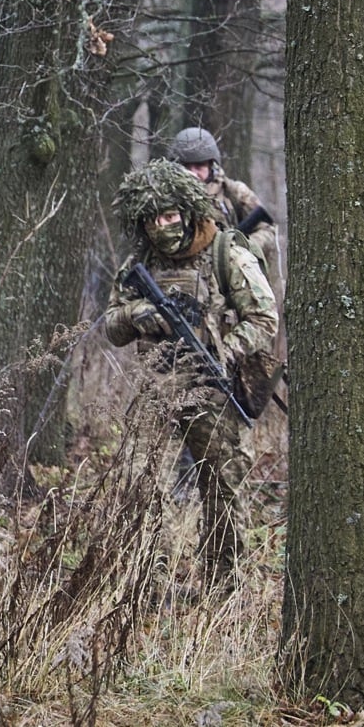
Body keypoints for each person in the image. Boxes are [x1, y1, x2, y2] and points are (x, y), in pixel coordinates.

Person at [105, 158, 278, 593]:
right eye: (152, 218)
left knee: (224, 488)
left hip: (214, 389)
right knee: (143, 484)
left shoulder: (225, 250)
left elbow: (264, 317)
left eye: (169, 216)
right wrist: (135, 314)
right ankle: (148, 584)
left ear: (186, 211)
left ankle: (224, 588)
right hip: (156, 388)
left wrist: (225, 350)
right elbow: (110, 325)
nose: (161, 226)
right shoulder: (138, 262)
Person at [168, 127, 279, 288]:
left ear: (211, 165)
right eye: (186, 167)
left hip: (232, 277)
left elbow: (267, 231)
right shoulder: (167, 198)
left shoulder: (234, 192)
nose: (193, 173)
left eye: (199, 166)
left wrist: (238, 248)